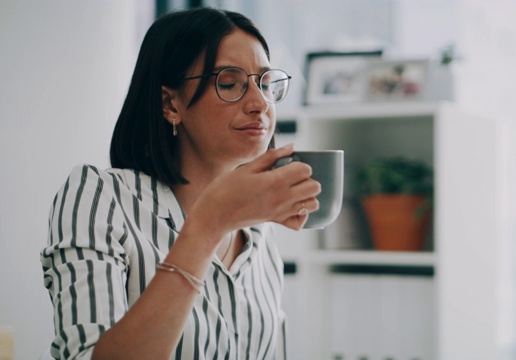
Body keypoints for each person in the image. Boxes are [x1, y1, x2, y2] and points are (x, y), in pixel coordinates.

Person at [40, 7, 320, 360]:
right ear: (170, 103)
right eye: (230, 83)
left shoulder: (260, 233)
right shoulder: (101, 197)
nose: (259, 103)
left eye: (265, 84)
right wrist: (208, 225)